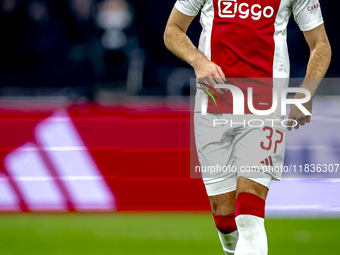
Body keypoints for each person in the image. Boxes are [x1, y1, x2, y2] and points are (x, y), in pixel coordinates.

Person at [164, 1, 331, 254]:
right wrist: (198, 61)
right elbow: (172, 29)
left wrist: (307, 92)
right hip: (213, 106)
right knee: (225, 220)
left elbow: (320, 43)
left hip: (264, 108)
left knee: (249, 217)